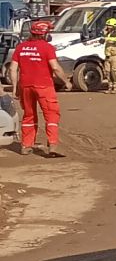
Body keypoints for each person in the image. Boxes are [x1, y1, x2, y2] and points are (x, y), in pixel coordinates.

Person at [7, 19, 68, 157]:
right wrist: (66, 82)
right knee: (51, 114)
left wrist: (15, 88)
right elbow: (55, 67)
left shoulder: (21, 47)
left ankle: (26, 146)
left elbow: (12, 69)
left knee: (28, 115)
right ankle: (52, 145)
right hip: (44, 86)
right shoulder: (47, 47)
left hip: (25, 86)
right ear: (44, 34)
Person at [101, 17, 116, 93]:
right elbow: (101, 41)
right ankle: (110, 86)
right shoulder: (107, 34)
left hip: (115, 56)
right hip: (108, 56)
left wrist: (113, 42)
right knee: (107, 72)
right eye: (107, 25)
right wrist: (103, 35)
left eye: (109, 25)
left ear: (114, 26)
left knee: (114, 71)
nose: (108, 27)